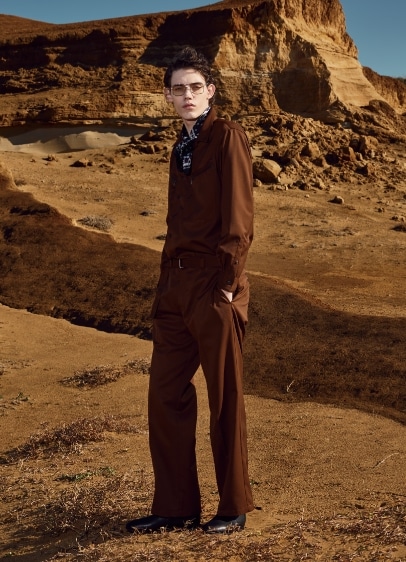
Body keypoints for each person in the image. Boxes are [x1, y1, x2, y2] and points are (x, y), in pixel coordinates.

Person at [126, 46, 254, 534]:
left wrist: (227, 286)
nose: (187, 96)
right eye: (178, 89)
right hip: (175, 288)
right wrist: (165, 287)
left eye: (195, 87)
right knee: (165, 395)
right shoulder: (179, 147)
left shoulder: (227, 136)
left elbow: (239, 218)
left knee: (225, 399)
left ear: (211, 91)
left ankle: (233, 506)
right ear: (167, 96)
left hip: (214, 284)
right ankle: (175, 507)